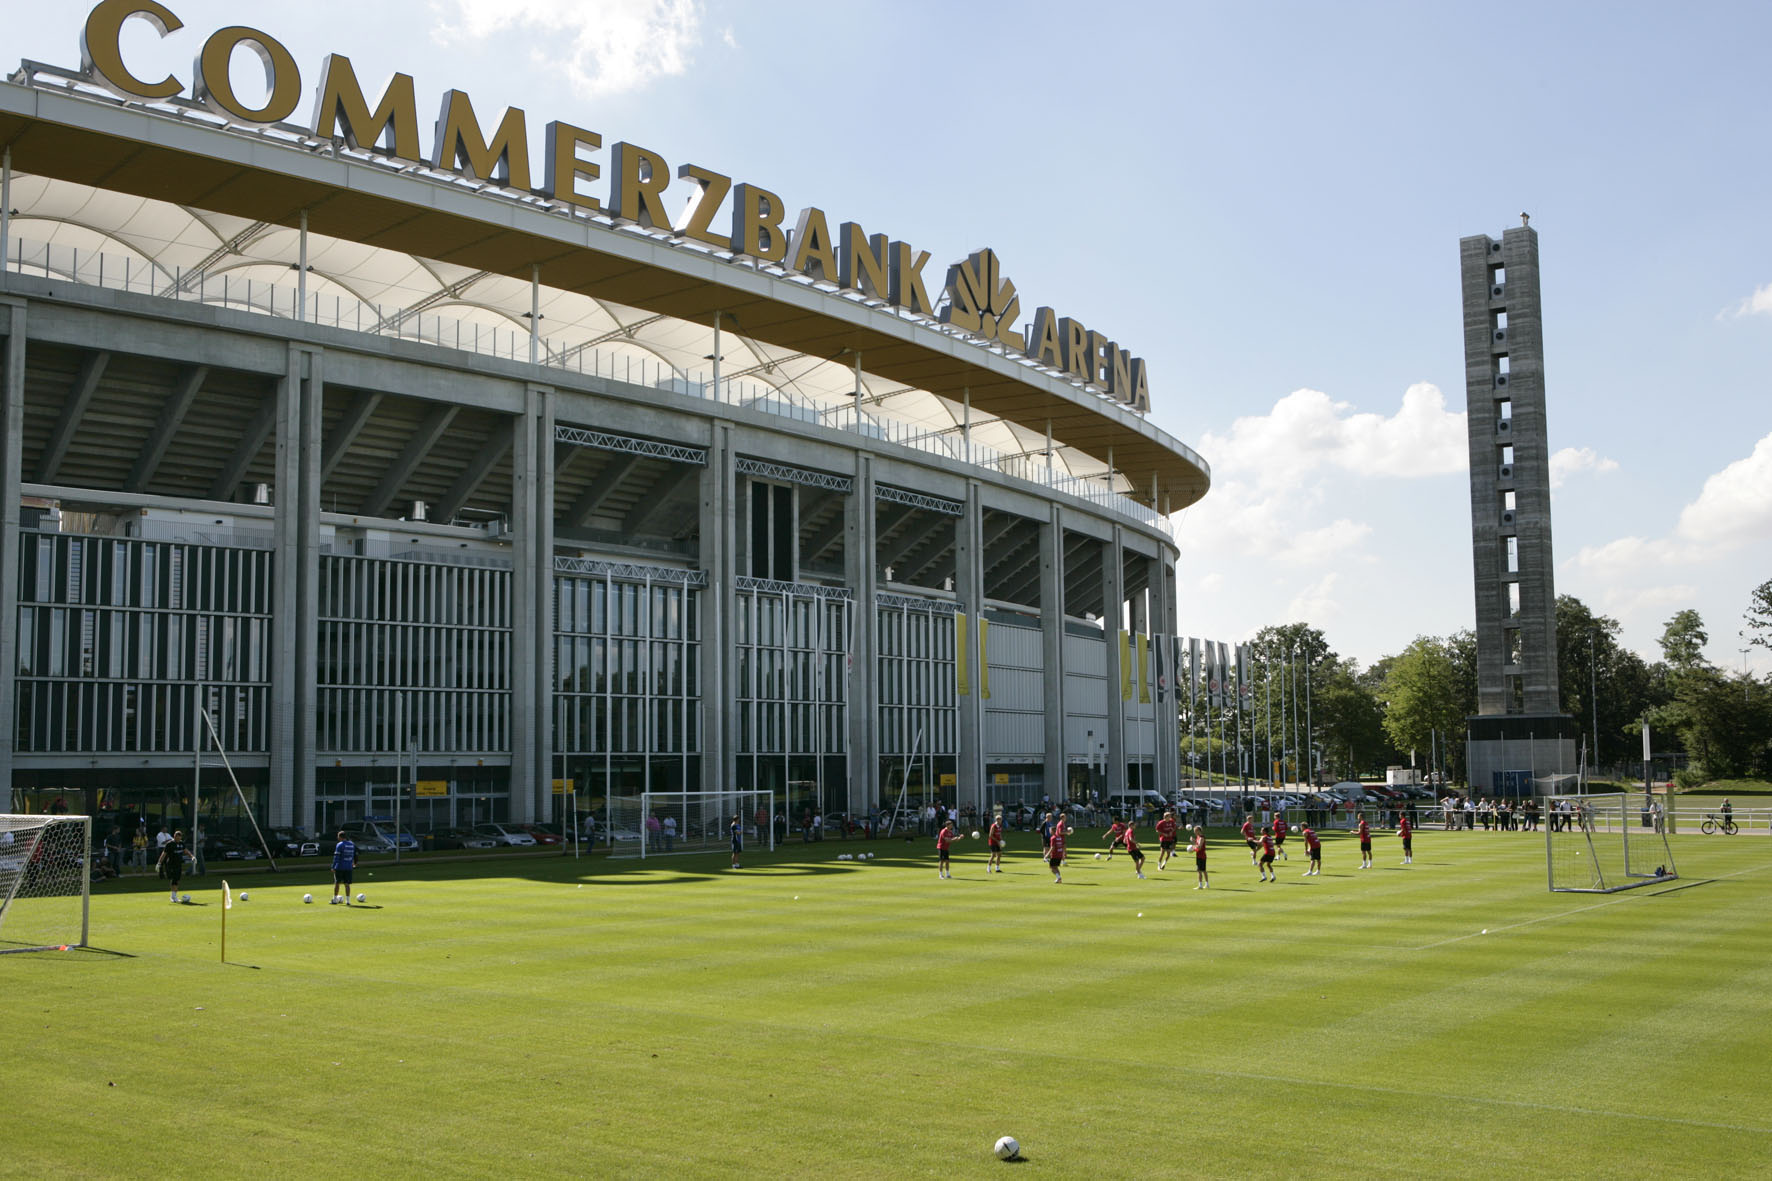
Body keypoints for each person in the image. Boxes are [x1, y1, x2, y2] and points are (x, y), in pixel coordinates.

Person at [156, 829, 190, 903]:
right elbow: (163, 854)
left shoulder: (182, 843)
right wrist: (159, 863)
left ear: (180, 837)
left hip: (178, 864)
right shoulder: (169, 844)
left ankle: (174, 896)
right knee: (173, 879)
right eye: (176, 837)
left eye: (179, 837)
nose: (177, 838)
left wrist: (192, 856)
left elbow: (186, 851)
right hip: (170, 864)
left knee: (177, 880)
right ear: (174, 836)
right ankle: (173, 896)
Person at [329, 830, 356, 904]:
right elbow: (354, 855)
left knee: (337, 884)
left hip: (340, 867)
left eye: (338, 836)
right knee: (347, 884)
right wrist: (353, 863)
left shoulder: (340, 845)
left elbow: (336, 857)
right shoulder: (352, 844)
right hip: (349, 867)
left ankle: (334, 900)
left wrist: (333, 866)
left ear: (340, 837)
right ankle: (348, 901)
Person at [1046, 810, 1070, 884]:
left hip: (1055, 854)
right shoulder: (1058, 837)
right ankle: (1059, 879)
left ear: (1052, 831)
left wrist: (1046, 855)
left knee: (1051, 867)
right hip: (1059, 854)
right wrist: (1063, 853)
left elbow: (1052, 847)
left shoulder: (1053, 838)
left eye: (1050, 830)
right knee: (1056, 867)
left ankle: (1058, 877)